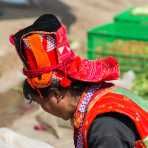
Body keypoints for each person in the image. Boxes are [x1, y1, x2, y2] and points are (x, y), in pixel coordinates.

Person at [10, 14, 148, 148]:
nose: (44, 110)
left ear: (56, 94)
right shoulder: (102, 95)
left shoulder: (104, 129)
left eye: (41, 103)